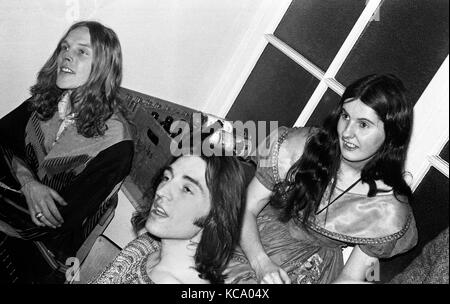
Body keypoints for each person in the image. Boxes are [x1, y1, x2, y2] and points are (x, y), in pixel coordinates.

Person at [225, 74, 418, 284]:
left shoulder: (388, 209)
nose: (347, 132)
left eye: (363, 124)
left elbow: (352, 276)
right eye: (345, 116)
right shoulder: (298, 147)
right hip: (252, 242)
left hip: (314, 269)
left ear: (391, 134)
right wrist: (262, 264)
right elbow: (246, 208)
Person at [0, 21, 133, 283]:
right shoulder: (48, 101)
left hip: (40, 255)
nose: (66, 55)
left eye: (82, 51)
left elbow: (55, 220)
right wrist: (28, 182)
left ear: (104, 66)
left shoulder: (116, 143)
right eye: (65, 47)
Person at [92, 152, 246, 284]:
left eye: (186, 189)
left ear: (215, 215)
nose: (162, 191)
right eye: (166, 178)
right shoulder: (146, 244)